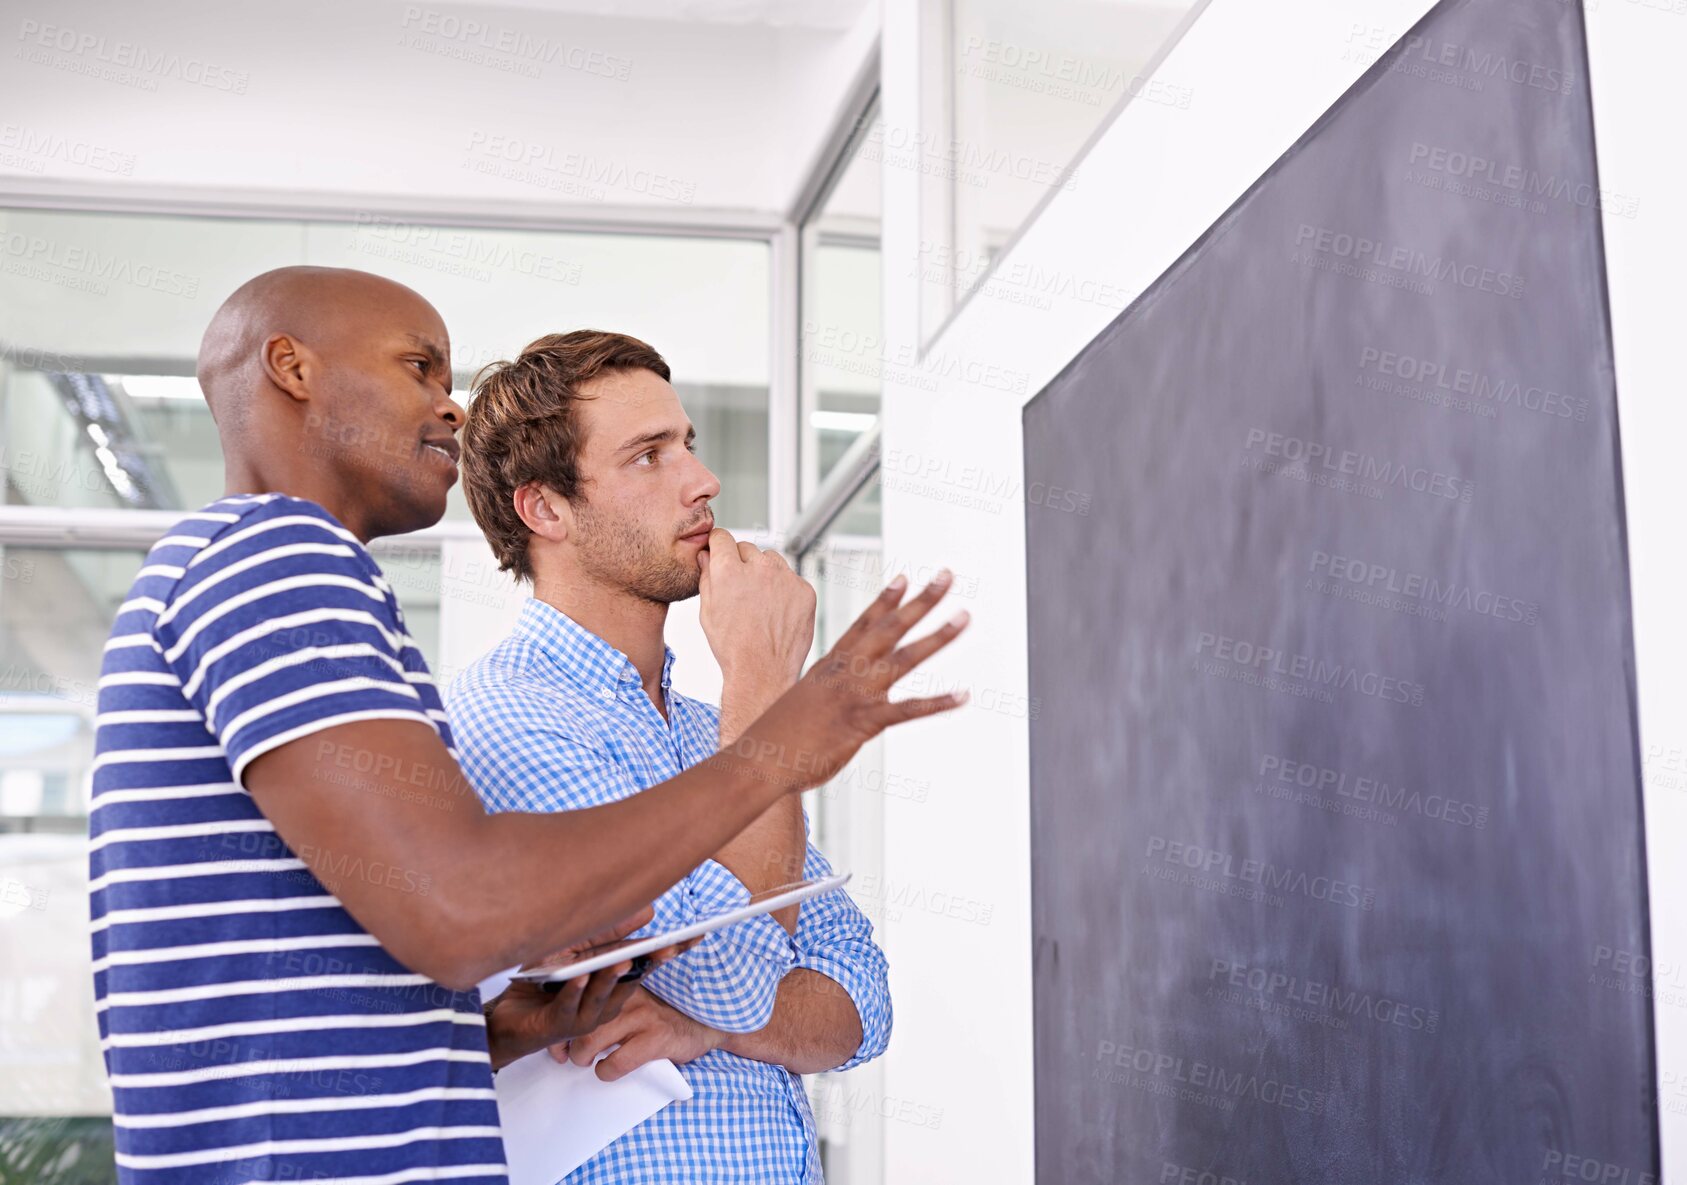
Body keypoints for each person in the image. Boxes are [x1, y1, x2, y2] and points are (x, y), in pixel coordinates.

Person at [88, 267, 970, 1185]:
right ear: (291, 367)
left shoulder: (264, 571)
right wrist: (771, 731)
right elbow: (483, 915)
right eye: (420, 368)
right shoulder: (285, 558)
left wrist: (489, 1038)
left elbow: (854, 993)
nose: (450, 409)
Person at [448, 331, 908, 1182]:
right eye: (649, 456)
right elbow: (740, 974)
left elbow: (862, 1002)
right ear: (545, 509)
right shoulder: (508, 721)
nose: (702, 481)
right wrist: (766, 683)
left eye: (686, 444)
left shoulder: (712, 728)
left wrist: (710, 1025)